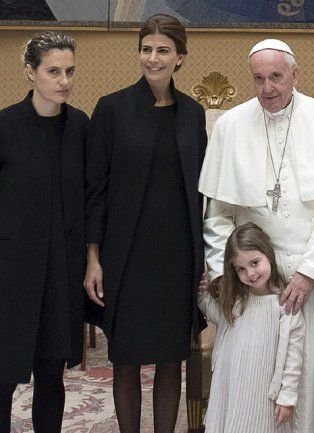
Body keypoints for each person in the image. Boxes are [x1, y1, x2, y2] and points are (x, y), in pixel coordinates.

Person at [198, 39, 314, 433]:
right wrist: (228, 277)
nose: (267, 88)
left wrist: (309, 272)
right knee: (256, 386)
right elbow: (218, 215)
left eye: (276, 77)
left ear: (296, 75)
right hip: (255, 286)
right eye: (258, 79)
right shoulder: (230, 126)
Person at [0, 31, 88, 433]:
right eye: (53, 71)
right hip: (8, 277)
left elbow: (90, 198)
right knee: (1, 380)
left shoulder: (80, 127)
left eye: (69, 71)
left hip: (59, 276)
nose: (63, 81)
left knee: (52, 376)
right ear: (31, 72)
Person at [82, 14, 207, 433]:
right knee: (126, 360)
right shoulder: (111, 109)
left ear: (180, 58)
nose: (153, 58)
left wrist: (205, 260)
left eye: (163, 50)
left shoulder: (192, 114)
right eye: (146, 49)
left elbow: (202, 192)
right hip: (125, 256)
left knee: (172, 359)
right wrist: (93, 257)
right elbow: (95, 190)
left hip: (177, 258)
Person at [198, 222, 305, 433]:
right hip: (231, 386)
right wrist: (202, 295)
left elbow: (293, 357)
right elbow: (216, 314)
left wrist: (287, 398)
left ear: (268, 255)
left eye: (255, 263)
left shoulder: (285, 306)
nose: (250, 273)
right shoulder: (236, 301)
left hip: (262, 393)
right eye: (241, 269)